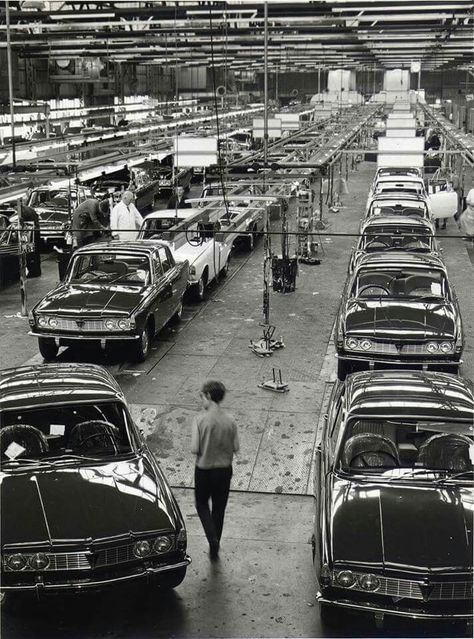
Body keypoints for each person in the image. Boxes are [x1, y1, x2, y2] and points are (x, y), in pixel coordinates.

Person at [191, 380, 239, 559]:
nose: (201, 401)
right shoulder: (230, 420)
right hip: (224, 470)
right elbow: (235, 446)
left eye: (202, 397)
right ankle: (215, 545)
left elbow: (195, 448)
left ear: (209, 396)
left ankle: (211, 538)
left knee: (202, 504)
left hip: (204, 470)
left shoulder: (199, 419)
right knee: (219, 509)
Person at [19, 197, 41, 278]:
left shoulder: (24, 211)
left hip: (31, 234)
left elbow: (23, 224)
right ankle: (37, 271)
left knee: (30, 254)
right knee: (35, 253)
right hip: (36, 232)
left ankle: (32, 272)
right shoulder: (29, 208)